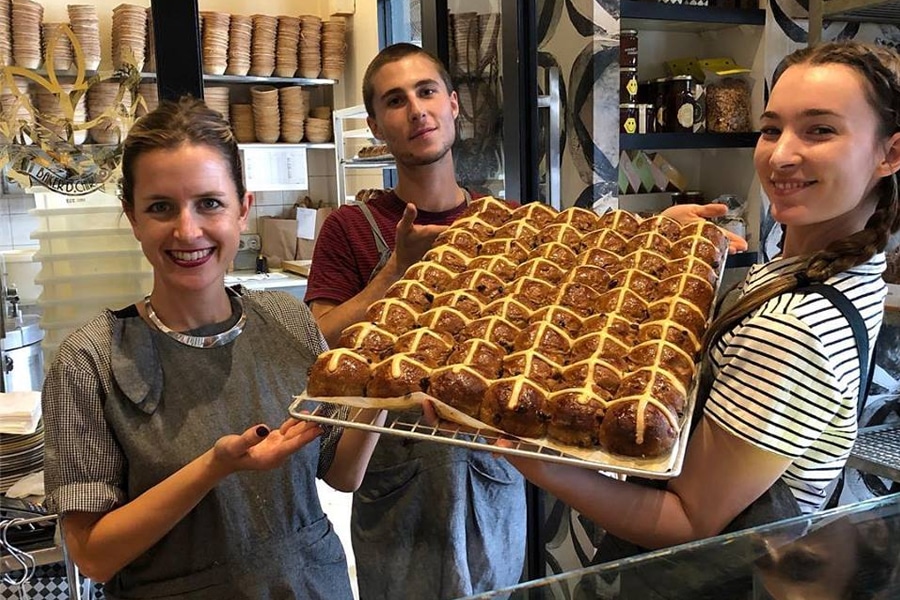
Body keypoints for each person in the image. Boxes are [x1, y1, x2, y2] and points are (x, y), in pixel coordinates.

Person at [306, 42, 745, 599]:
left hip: (494, 471)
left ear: (454, 104)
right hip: (398, 481)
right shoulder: (348, 227)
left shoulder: (506, 220)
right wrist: (394, 271)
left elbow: (587, 288)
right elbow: (320, 342)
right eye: (395, 101)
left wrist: (661, 228)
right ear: (375, 124)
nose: (417, 110)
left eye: (427, 91)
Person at [500, 39, 900, 569]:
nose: (780, 154)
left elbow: (686, 521)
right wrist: (658, 250)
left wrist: (530, 459)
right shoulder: (842, 269)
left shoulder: (797, 327)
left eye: (820, 130)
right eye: (772, 127)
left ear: (889, 154)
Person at [41, 97, 384, 600]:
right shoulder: (91, 360)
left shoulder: (287, 321)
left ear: (242, 210)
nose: (187, 230)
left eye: (209, 202)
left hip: (313, 585)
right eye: (160, 207)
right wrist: (214, 467)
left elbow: (342, 472)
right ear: (132, 218)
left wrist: (382, 389)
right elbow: (93, 553)